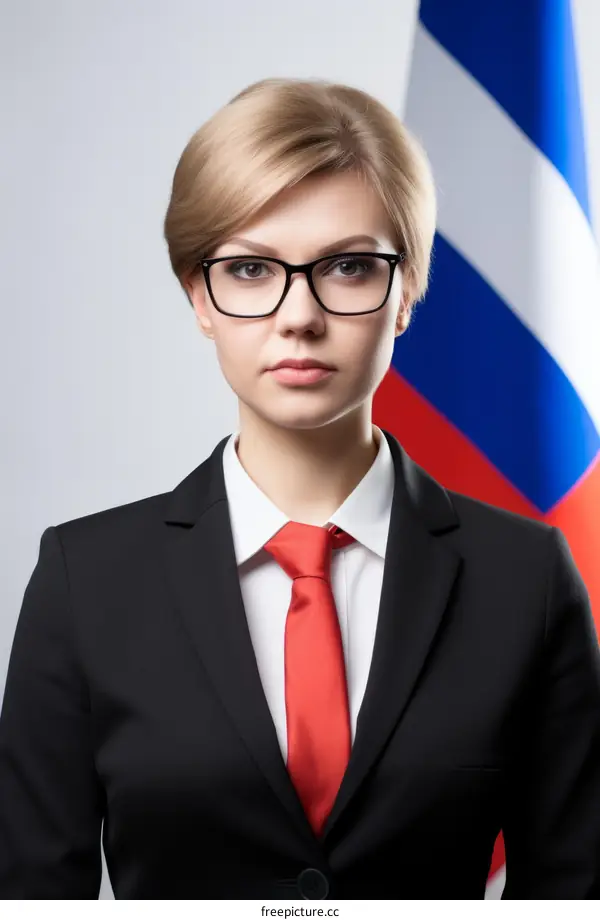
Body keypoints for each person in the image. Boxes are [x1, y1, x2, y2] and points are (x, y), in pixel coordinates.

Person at [1, 76, 600, 901]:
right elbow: (29, 898)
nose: (298, 315)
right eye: (250, 269)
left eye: (348, 267)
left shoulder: (526, 577)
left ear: (406, 294)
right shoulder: (85, 579)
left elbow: (575, 895)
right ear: (197, 296)